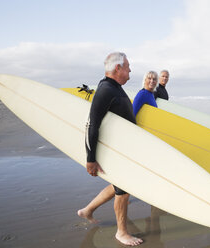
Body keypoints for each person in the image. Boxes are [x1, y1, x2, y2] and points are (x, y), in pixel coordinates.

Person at [77, 52, 143, 246]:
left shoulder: (115, 88)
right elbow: (92, 124)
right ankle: (121, 232)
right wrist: (90, 158)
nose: (130, 69)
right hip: (117, 152)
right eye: (128, 66)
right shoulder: (106, 89)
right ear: (118, 68)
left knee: (117, 186)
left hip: (123, 149)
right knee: (123, 190)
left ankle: (87, 210)